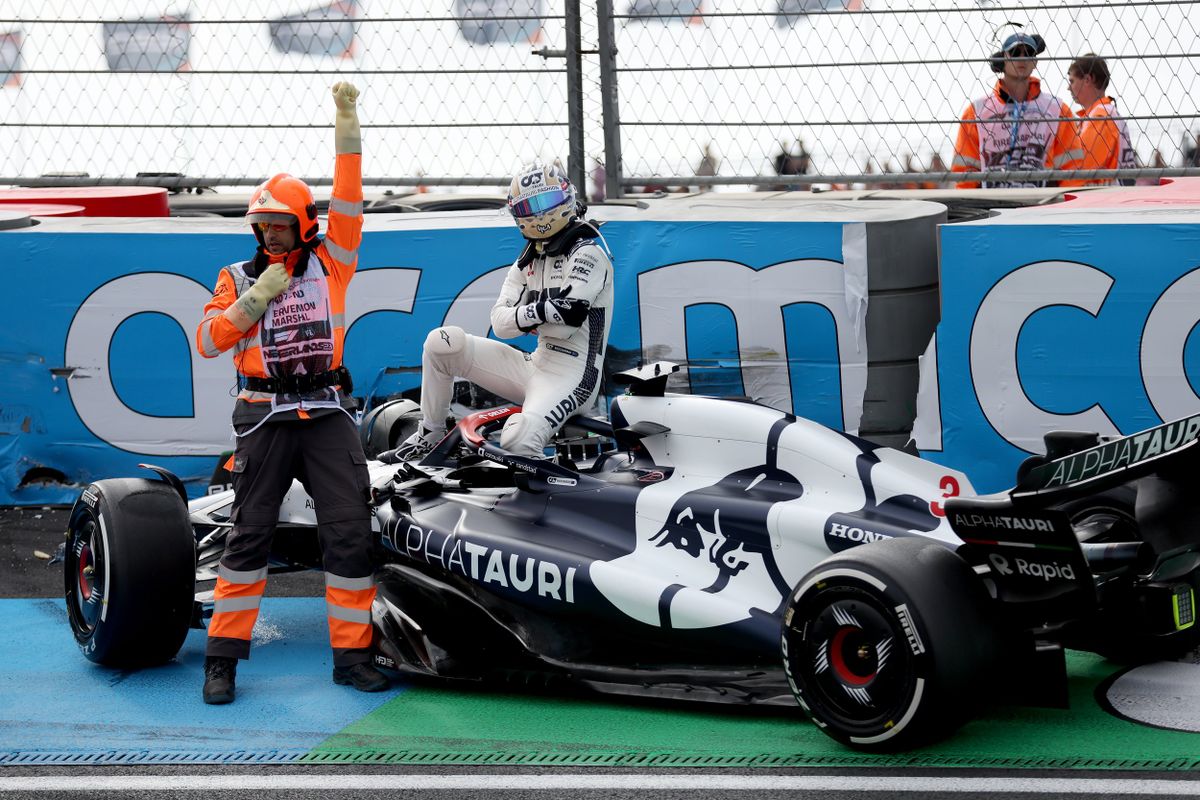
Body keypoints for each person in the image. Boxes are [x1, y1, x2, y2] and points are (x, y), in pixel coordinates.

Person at [194, 81, 388, 704]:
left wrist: (346, 120)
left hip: (327, 413)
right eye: (263, 227)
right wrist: (257, 297)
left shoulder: (334, 261)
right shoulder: (236, 276)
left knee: (349, 533)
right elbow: (209, 339)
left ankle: (352, 658)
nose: (271, 237)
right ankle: (222, 661)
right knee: (249, 536)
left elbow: (350, 196)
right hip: (262, 418)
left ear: (304, 225)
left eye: (280, 226)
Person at [394, 162, 613, 460]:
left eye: (546, 201)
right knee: (442, 343)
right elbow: (499, 324)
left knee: (518, 440)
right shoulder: (528, 260)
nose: (539, 213)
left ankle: (545, 472)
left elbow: (568, 322)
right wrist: (544, 312)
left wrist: (525, 316)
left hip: (574, 378)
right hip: (536, 364)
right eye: (529, 206)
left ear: (566, 197)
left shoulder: (588, 253)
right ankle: (431, 434)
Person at [952, 29, 1083, 188]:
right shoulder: (976, 111)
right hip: (992, 202)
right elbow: (965, 174)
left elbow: (1072, 171)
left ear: (1035, 62)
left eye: (1028, 53)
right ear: (1003, 60)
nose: (1022, 58)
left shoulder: (1057, 110)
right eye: (1015, 52)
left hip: (1042, 200)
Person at [1060, 53, 1137, 187]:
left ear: (1087, 79)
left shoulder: (1100, 117)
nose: (1068, 87)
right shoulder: (1105, 113)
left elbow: (1081, 168)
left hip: (1101, 196)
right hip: (1111, 194)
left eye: (1072, 81)